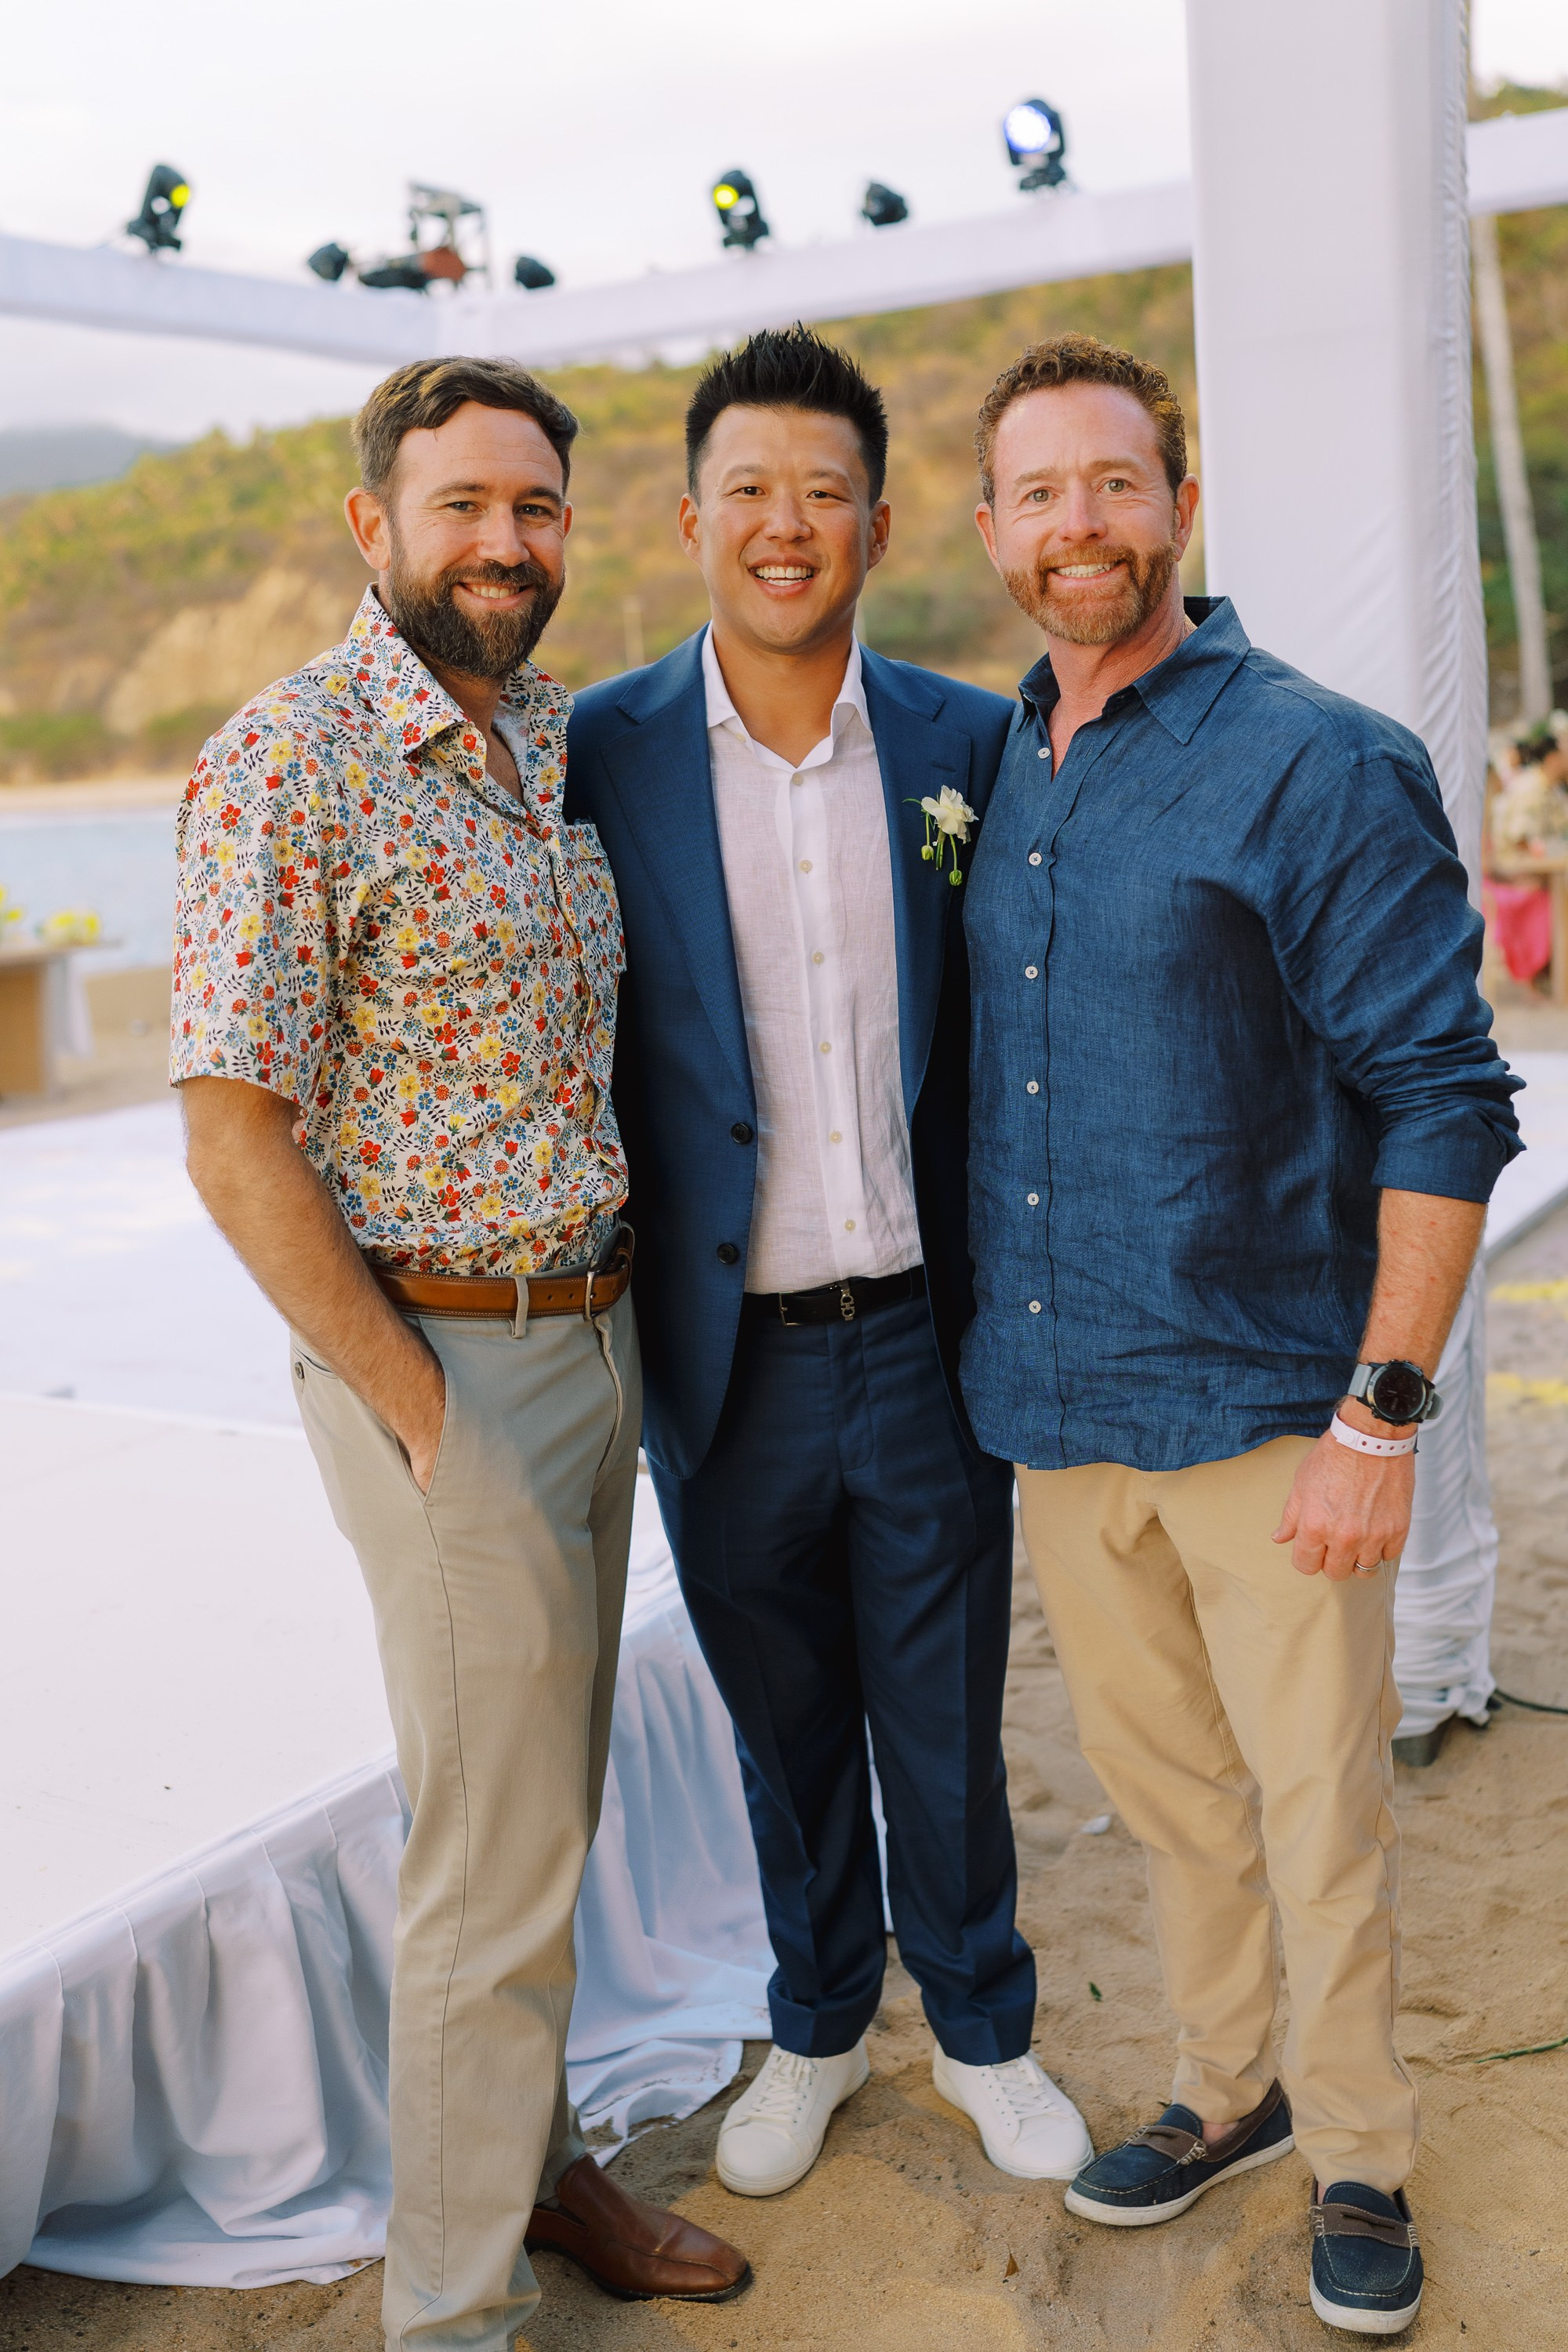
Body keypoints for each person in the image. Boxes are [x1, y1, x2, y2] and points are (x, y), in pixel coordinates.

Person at [172, 357, 749, 2352]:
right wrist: (424, 1420)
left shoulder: (541, 738)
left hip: (591, 1344)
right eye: (463, 507)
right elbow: (232, 1133)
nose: (504, 544)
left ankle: (548, 2169)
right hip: (435, 1362)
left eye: (536, 509)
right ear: (374, 527)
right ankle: (448, 2311)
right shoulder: (295, 757)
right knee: (483, 1863)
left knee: (541, 1809)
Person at [960, 333, 1521, 2339]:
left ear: (1177, 504)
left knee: (1319, 1816)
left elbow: (1446, 1094)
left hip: (1274, 1408)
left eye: (1115, 483)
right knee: (1171, 1804)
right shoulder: (997, 762)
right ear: (993, 529)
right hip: (1055, 1405)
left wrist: (1386, 1410)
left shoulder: (1316, 755)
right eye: (1040, 493)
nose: (1079, 525)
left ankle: (1360, 2146)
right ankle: (1226, 2089)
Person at [565, 325, 1091, 2200]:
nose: (785, 525)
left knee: (946, 1715)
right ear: (690, 516)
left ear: (875, 525)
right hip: (725, 1352)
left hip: (924, 1334)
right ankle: (812, 2030)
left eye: (823, 492)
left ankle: (984, 2034)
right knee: (780, 1721)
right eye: (749, 491)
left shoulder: (965, 739)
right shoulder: (596, 748)